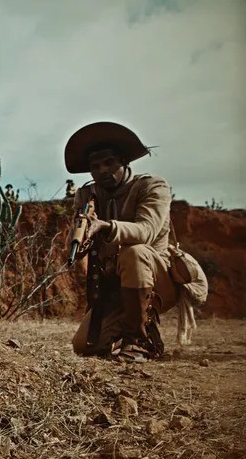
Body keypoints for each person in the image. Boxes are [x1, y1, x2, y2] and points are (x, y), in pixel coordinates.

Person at [64, 121, 179, 362]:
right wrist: (81, 233)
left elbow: (146, 231)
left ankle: (138, 342)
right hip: (117, 284)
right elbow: (74, 244)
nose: (103, 170)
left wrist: (105, 226)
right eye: (95, 167)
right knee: (85, 345)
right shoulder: (86, 195)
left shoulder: (152, 186)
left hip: (158, 277)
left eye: (109, 163)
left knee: (134, 252)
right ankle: (137, 329)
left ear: (124, 162)